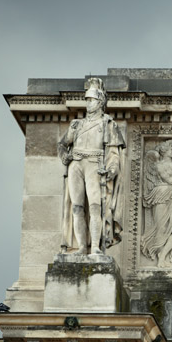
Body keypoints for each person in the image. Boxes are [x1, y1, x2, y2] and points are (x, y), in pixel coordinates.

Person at [58, 78, 125, 255]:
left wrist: (111, 169)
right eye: (87, 100)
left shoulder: (108, 124)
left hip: (95, 164)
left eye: (91, 100)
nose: (88, 103)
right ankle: (81, 247)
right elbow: (62, 144)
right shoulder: (77, 124)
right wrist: (66, 157)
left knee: (96, 207)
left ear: (100, 102)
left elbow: (113, 153)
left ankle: (95, 246)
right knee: (77, 207)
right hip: (76, 165)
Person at [141, 140, 172, 266]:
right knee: (161, 229)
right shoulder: (159, 165)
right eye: (170, 148)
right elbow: (170, 179)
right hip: (161, 197)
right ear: (164, 150)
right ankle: (160, 259)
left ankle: (163, 255)